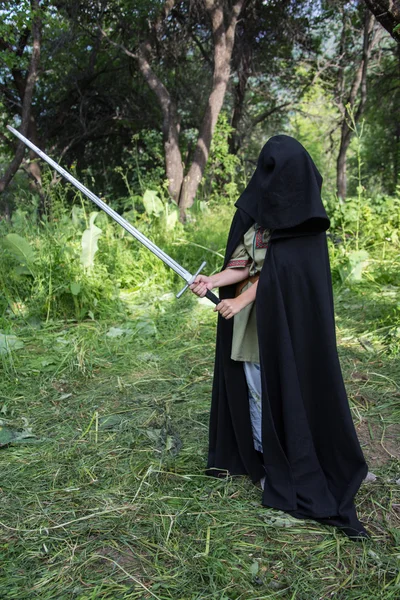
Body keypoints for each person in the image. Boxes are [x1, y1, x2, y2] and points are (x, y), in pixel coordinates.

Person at [190, 135, 369, 539]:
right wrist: (212, 281)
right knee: (257, 392)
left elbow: (280, 278)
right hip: (255, 330)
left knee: (293, 391)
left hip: (286, 330)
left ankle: (303, 462)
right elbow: (243, 265)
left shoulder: (306, 229)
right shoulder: (258, 220)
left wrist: (240, 302)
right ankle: (270, 463)